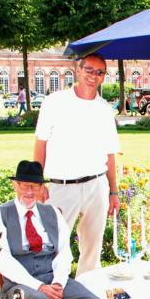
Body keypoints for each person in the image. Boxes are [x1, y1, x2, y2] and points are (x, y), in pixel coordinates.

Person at [34, 53, 120, 276]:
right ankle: (49, 290)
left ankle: (87, 292)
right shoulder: (54, 103)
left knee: (92, 250)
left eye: (99, 72)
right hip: (61, 186)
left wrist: (113, 191)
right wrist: (37, 182)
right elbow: (40, 144)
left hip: (96, 185)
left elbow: (110, 153)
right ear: (78, 70)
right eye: (89, 70)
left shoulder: (104, 109)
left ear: (104, 77)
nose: (93, 75)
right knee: (52, 245)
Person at [0, 160, 103, 299]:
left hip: (52, 277)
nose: (29, 191)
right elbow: (3, 260)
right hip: (19, 283)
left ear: (42, 188)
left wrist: (58, 283)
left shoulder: (53, 212)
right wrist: (38, 286)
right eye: (24, 185)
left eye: (35, 186)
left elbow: (64, 252)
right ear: (15, 185)